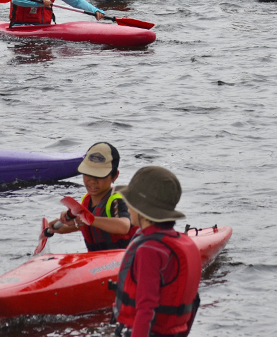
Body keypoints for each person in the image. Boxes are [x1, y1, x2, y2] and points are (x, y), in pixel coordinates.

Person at [112, 166, 202, 337]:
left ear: (142, 209)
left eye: (131, 201)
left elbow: (146, 308)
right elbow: (194, 302)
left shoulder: (149, 251)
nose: (127, 206)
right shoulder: (184, 243)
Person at [46, 142, 136, 251]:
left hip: (125, 258)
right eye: (88, 174)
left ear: (115, 176)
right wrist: (63, 227)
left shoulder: (119, 199)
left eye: (99, 175)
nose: (92, 181)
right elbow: (91, 226)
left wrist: (88, 219)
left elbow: (124, 227)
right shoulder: (86, 200)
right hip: (96, 260)